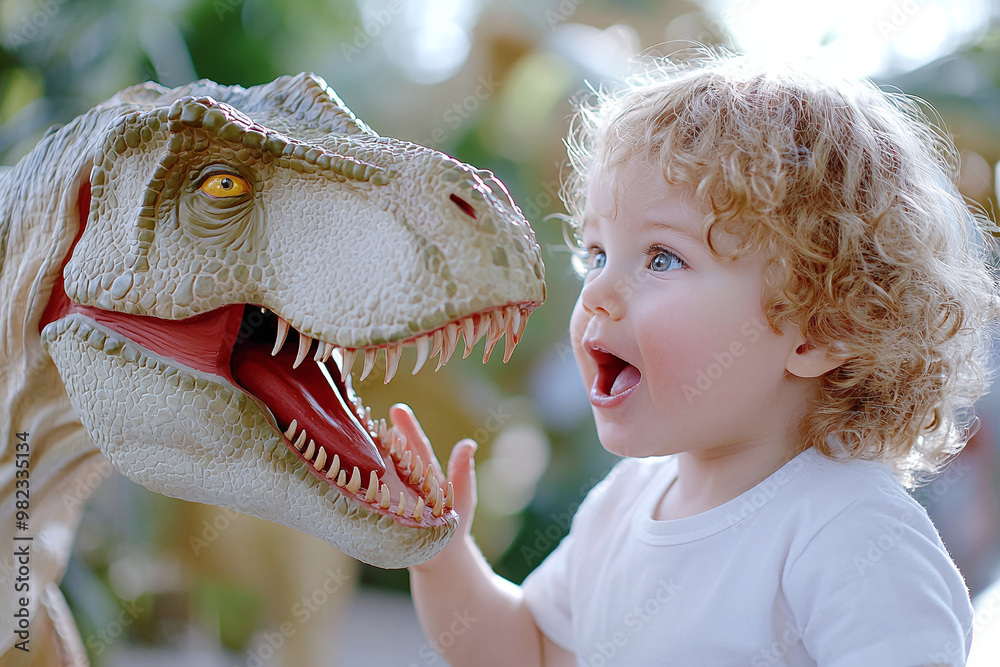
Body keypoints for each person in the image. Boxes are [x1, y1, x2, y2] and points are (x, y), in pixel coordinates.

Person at [395, 51, 999, 666]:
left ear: (819, 331)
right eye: (597, 254)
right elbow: (529, 652)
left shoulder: (852, 534)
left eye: (661, 258)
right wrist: (439, 554)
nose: (597, 292)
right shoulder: (623, 503)